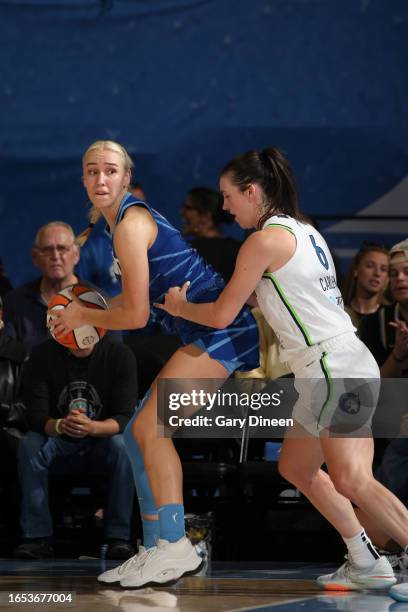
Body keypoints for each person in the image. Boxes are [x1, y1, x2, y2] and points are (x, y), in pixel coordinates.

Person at [157, 146, 408, 592]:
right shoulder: (304, 232)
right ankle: (365, 560)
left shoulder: (264, 240)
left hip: (335, 367)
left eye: (229, 195)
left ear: (252, 191)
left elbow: (219, 316)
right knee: (296, 467)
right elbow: (268, 297)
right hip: (327, 369)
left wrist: (178, 305)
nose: (226, 206)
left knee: (352, 478)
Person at [49, 140, 259, 588]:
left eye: (110, 171)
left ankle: (174, 545)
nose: (101, 179)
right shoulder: (116, 224)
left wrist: (84, 314)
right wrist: (83, 309)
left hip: (222, 333)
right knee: (134, 434)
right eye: (92, 172)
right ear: (84, 179)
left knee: (148, 429)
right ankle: (155, 548)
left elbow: (137, 317)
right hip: (205, 332)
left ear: (126, 178)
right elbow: (133, 301)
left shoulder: (130, 223)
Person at [14, 335, 137, 560]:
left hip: (102, 440)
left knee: (123, 445)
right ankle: (37, 537)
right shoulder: (42, 355)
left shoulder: (119, 355)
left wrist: (92, 427)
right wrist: (62, 425)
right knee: (29, 443)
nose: (79, 342)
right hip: (59, 440)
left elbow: (126, 418)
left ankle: (119, 538)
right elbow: (36, 418)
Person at [2, 222, 80, 350]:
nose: (55, 256)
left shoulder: (97, 302)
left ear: (76, 255)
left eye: (62, 249)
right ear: (34, 257)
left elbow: (112, 360)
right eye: (47, 250)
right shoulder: (14, 303)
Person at [181, 186, 241, 282]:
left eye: (188, 208)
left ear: (206, 216)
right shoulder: (240, 249)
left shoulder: (188, 252)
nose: (182, 212)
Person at [343, 243, 389, 328]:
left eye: (383, 269)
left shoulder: (390, 317)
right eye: (370, 266)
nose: (377, 273)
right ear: (356, 270)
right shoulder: (339, 311)